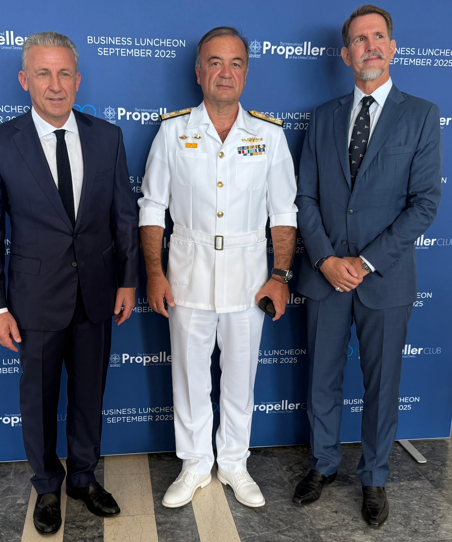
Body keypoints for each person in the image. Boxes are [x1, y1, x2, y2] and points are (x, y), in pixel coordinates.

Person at [0, 32, 140, 534]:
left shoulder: (107, 137)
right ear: (25, 80)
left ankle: (83, 478)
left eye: (64, 73)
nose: (55, 84)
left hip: (98, 293)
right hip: (33, 301)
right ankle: (47, 485)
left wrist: (128, 281)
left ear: (78, 79)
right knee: (39, 400)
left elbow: (124, 217)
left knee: (90, 394)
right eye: (43, 73)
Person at [294, 5, 441, 527]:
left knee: (382, 385)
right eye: (359, 39)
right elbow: (305, 197)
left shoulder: (421, 114)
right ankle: (323, 464)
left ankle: (374, 477)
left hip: (386, 277)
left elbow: (424, 203)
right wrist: (327, 259)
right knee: (322, 379)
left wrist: (365, 260)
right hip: (326, 275)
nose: (370, 46)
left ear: (392, 47)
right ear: (345, 54)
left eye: (378, 36)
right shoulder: (322, 117)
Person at [139, 26, 297, 509]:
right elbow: (152, 207)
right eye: (215, 62)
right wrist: (154, 273)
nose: (225, 73)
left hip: (250, 280)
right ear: (198, 71)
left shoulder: (269, 135)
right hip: (186, 275)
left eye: (235, 63)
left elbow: (283, 213)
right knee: (189, 378)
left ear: (246, 73)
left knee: (240, 379)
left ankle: (233, 463)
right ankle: (194, 464)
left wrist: (280, 276)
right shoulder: (173, 131)